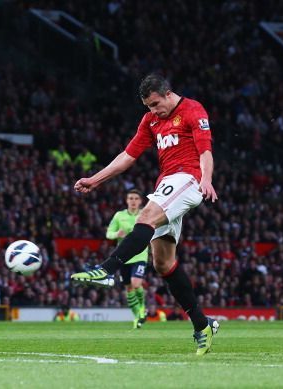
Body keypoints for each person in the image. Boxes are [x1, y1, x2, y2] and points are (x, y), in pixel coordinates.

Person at [71, 74, 219, 355]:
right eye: (148, 106)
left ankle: (107, 269)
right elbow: (128, 156)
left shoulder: (193, 110)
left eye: (155, 104)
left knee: (145, 218)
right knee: (163, 264)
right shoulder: (149, 120)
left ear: (167, 93)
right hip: (167, 183)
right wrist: (95, 179)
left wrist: (207, 179)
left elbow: (205, 150)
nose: (153, 111)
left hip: (189, 179)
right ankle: (203, 325)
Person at [106, 189, 148, 329]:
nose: (133, 201)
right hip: (123, 257)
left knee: (136, 284)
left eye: (136, 198)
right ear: (126, 200)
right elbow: (109, 233)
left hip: (140, 255)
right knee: (129, 289)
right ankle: (137, 317)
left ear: (141, 201)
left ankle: (142, 307)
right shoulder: (119, 215)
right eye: (131, 198)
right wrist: (117, 233)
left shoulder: (145, 214)